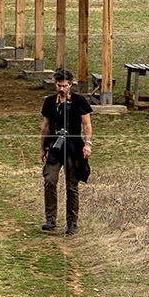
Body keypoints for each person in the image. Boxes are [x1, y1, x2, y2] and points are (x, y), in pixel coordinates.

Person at [39, 66, 92, 234]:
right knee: (50, 180)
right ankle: (50, 219)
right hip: (54, 146)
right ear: (55, 85)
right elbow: (45, 126)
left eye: (65, 86)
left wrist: (88, 144)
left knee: (72, 186)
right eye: (59, 85)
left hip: (73, 146)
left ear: (70, 85)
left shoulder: (79, 101)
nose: (62, 89)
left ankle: (72, 224)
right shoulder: (49, 102)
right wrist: (42, 148)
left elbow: (87, 124)